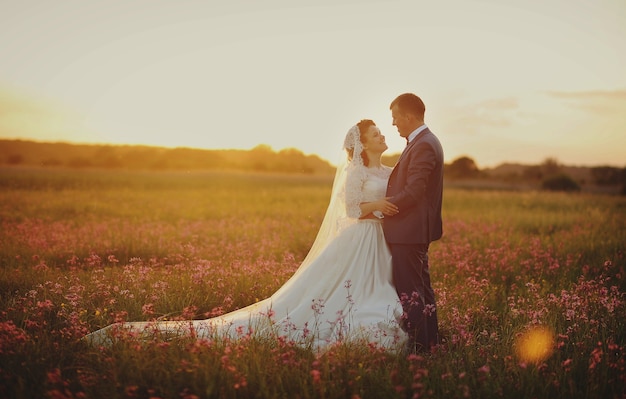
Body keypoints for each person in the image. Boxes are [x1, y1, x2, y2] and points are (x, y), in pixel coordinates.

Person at [84, 119, 406, 350]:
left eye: (380, 132)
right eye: (376, 133)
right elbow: (351, 209)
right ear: (362, 143)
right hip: (358, 239)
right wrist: (378, 203)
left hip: (380, 241)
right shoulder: (356, 173)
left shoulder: (389, 170)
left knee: (378, 289)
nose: (382, 136)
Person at [383, 93, 444, 354]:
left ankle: (419, 348)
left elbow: (414, 191)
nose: (394, 123)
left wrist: (383, 209)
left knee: (411, 292)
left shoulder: (423, 144)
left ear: (409, 116)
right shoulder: (422, 141)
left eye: (396, 118)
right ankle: (431, 344)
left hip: (409, 231)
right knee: (422, 291)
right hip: (414, 230)